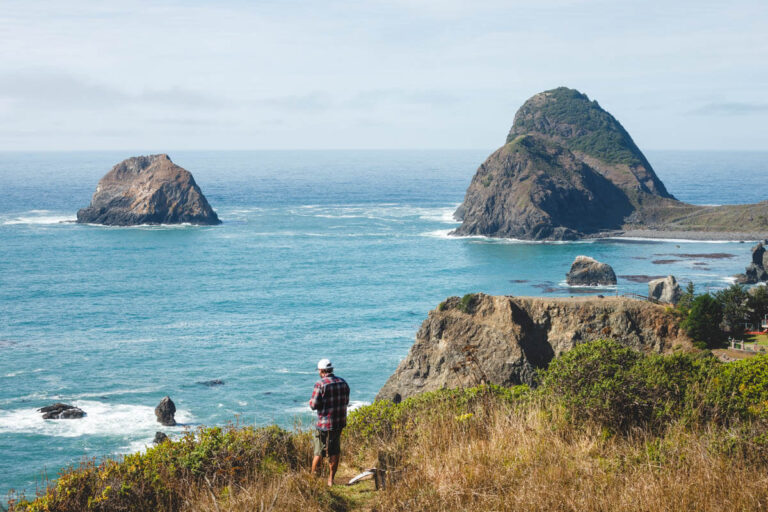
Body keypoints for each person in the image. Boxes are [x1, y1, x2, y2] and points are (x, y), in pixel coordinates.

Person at [308, 358, 350, 486]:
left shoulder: (320, 384)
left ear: (321, 371)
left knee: (318, 452)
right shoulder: (343, 382)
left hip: (324, 424)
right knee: (334, 451)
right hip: (339, 423)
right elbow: (346, 402)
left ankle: (312, 480)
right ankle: (331, 480)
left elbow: (313, 405)